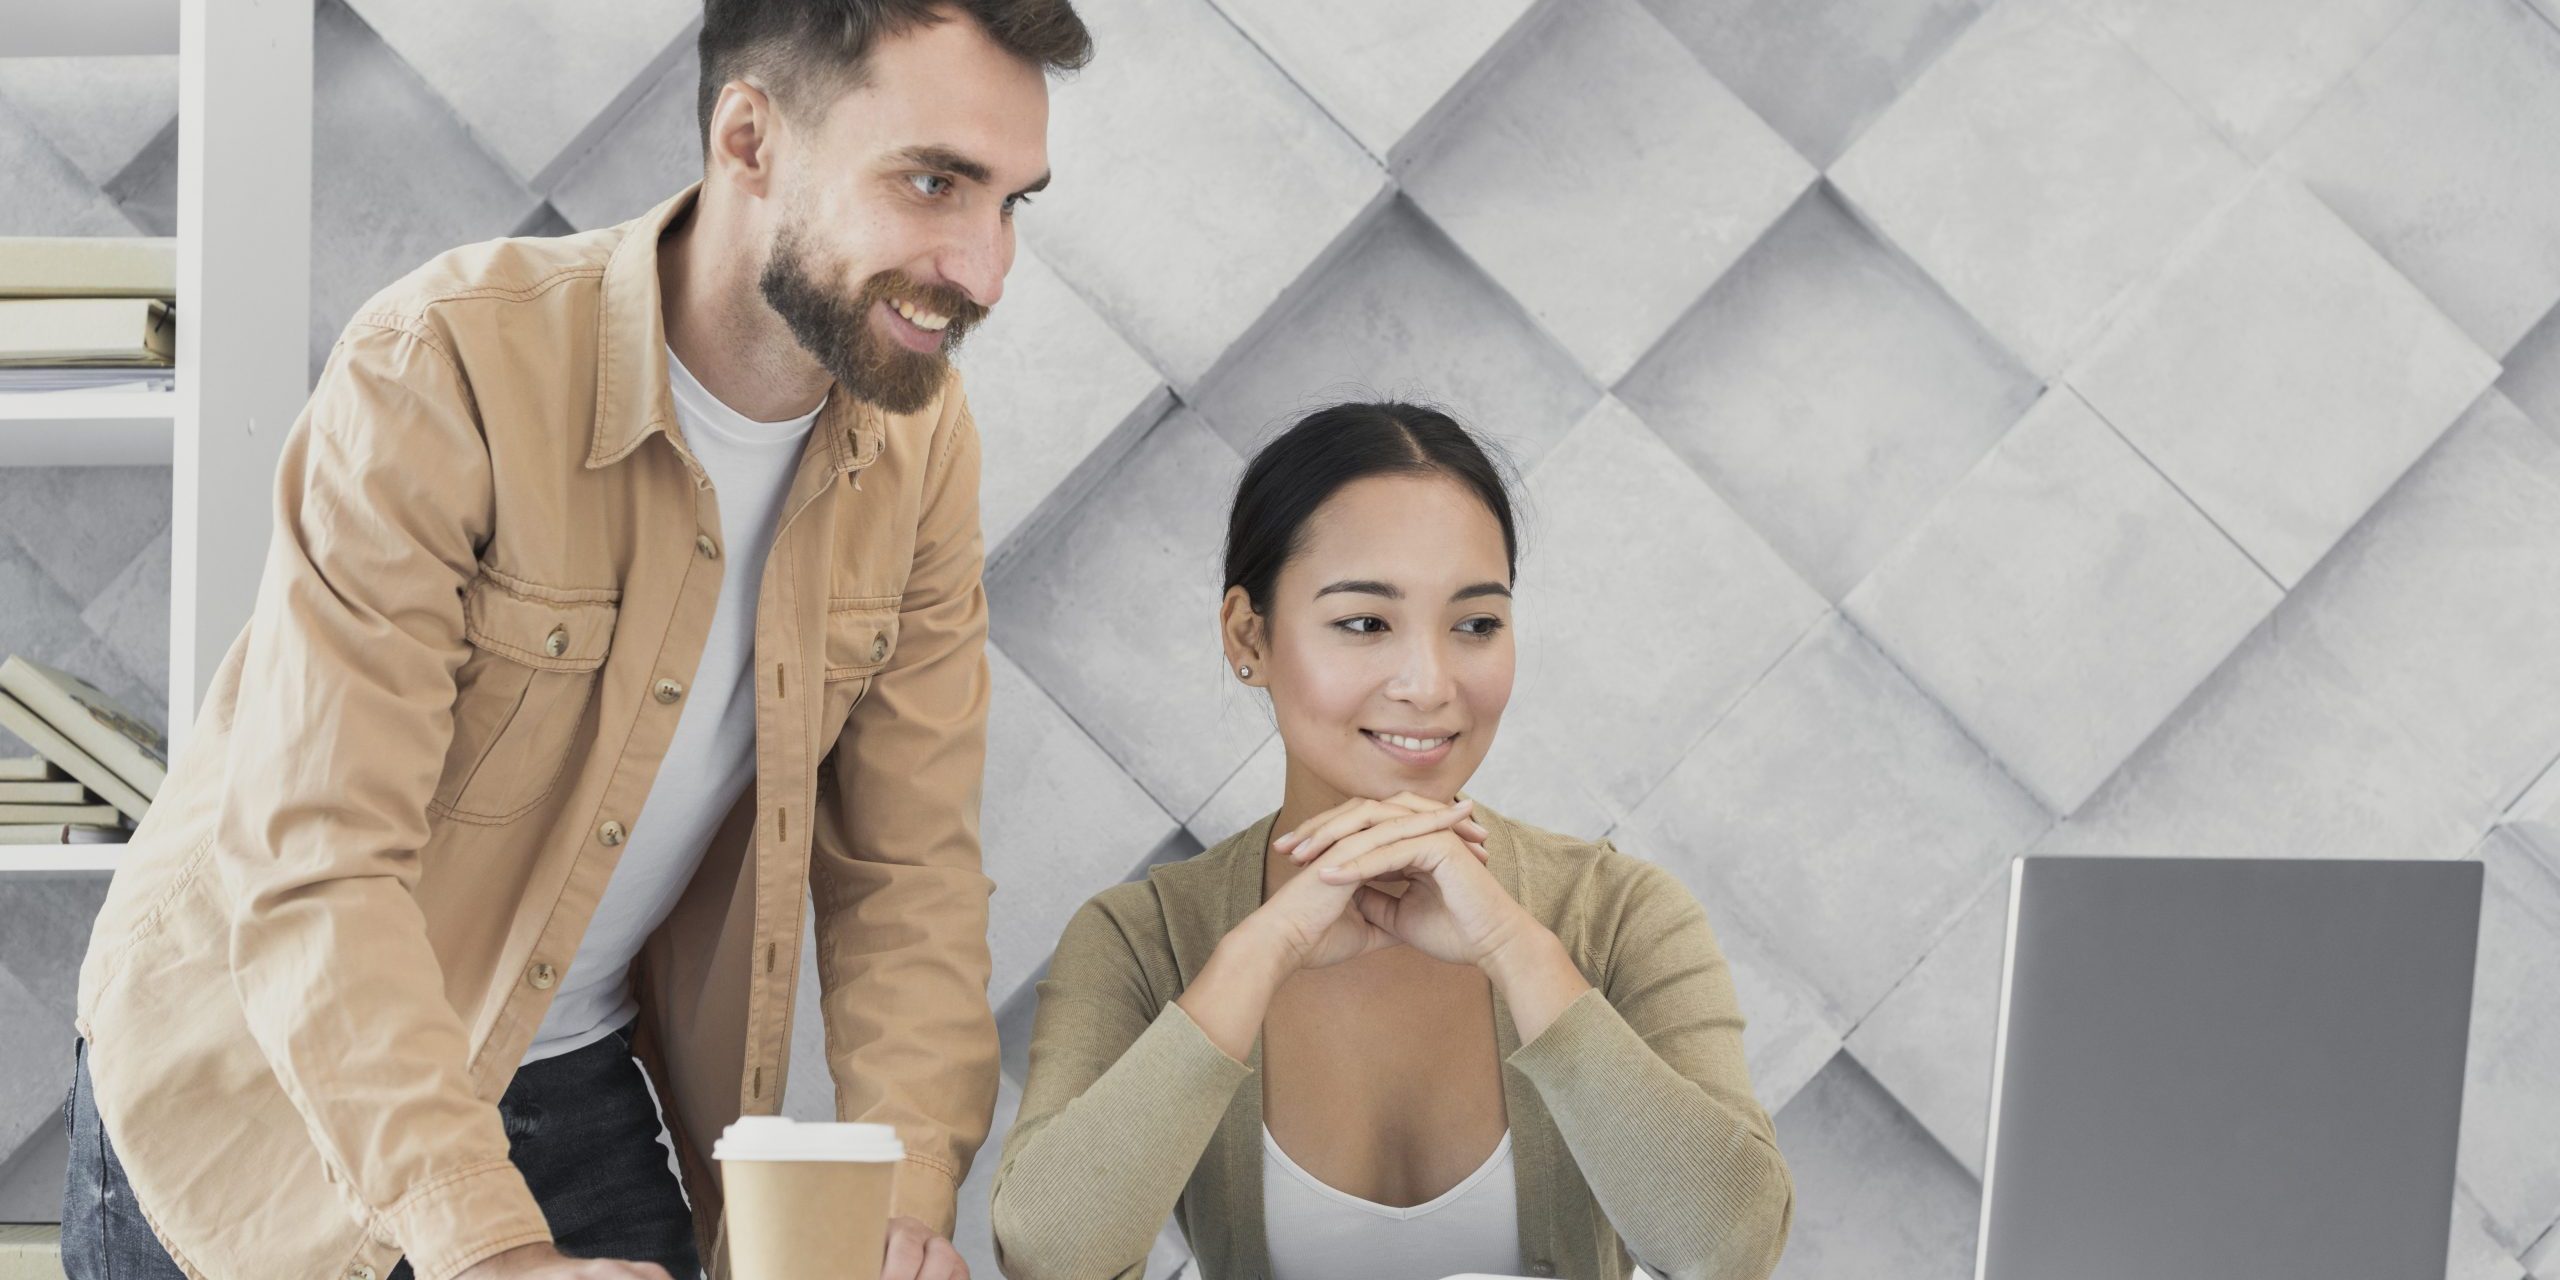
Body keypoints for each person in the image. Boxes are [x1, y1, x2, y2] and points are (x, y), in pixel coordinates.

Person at [58, 3, 1090, 1278]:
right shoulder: (444, 365)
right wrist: (488, 1254)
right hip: (263, 1087)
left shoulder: (919, 440)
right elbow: (318, 860)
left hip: (571, 1072)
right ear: (750, 139)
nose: (983, 271)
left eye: (1010, 205)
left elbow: (907, 869)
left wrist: (904, 1189)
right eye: (934, 183)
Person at [986, 402, 1796, 1280]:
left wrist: (1517, 950)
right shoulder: (1141, 940)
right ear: (1247, 636)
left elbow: (1732, 1247)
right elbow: (1048, 1253)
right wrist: (1259, 954)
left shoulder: (1623, 915)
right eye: (1366, 623)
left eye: (1476, 624)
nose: (1430, 683)